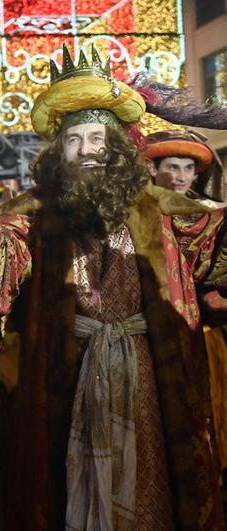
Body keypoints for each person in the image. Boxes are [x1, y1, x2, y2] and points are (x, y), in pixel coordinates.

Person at [0, 45, 227, 530]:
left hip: (151, 378)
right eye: (74, 140)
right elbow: (0, 260)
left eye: (97, 138)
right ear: (57, 150)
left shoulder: (166, 210)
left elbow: (217, 250)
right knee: (67, 490)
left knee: (153, 487)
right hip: (64, 379)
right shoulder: (34, 211)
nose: (86, 150)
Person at [142, 129, 227, 483]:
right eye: (171, 166)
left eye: (187, 168)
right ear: (153, 170)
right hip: (155, 328)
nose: (179, 175)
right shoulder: (140, 213)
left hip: (204, 331)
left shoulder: (212, 216)